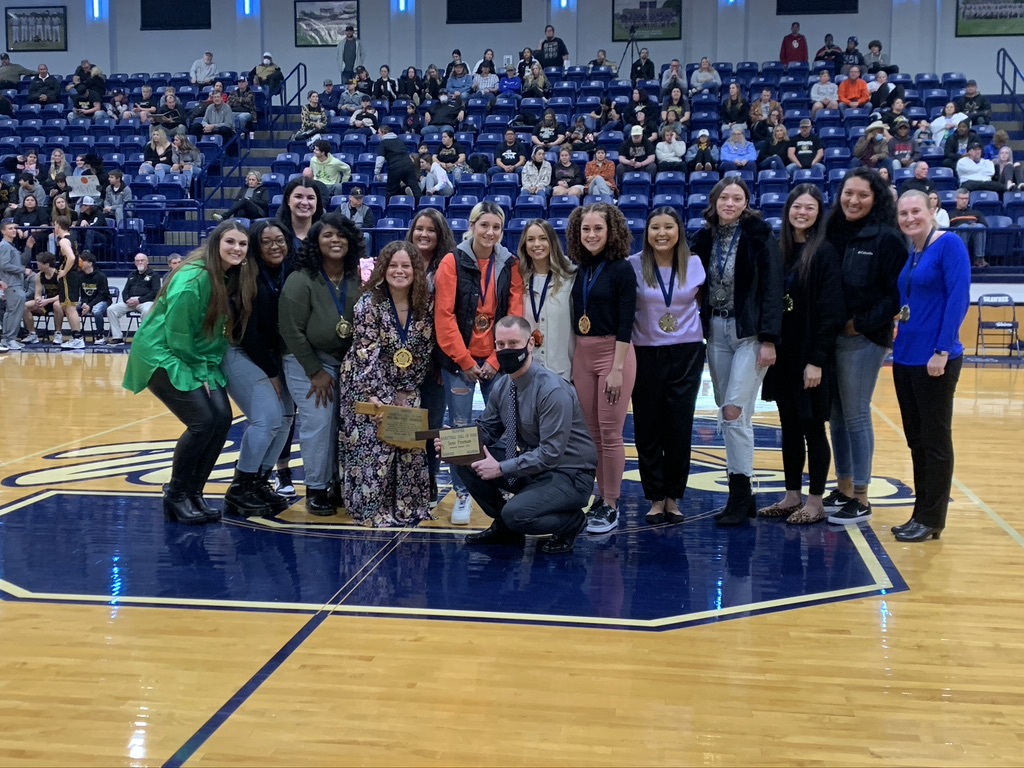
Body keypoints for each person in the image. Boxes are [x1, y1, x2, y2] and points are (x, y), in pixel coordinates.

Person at [122, 221, 254, 524]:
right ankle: (176, 495)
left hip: (197, 356)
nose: (236, 248)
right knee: (203, 422)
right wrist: (202, 375)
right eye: (230, 242)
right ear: (215, 244)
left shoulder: (226, 276)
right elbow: (177, 334)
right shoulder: (194, 278)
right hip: (163, 353)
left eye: (242, 244)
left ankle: (195, 492)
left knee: (221, 420)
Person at [446, 315, 595, 553]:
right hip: (534, 468)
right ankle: (504, 526)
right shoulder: (503, 386)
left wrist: (501, 468)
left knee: (517, 515)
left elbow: (550, 454)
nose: (506, 350)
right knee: (464, 456)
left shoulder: (552, 391)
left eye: (513, 344)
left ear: (530, 345)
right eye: (501, 345)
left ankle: (571, 522)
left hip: (569, 473)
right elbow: (487, 429)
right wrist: (452, 443)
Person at [691, 178, 782, 526]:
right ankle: (745, 494)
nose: (730, 203)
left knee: (732, 411)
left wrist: (770, 339)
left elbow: (773, 287)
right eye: (724, 197)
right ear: (714, 201)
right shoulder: (702, 239)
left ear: (746, 202)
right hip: (715, 330)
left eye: (737, 197)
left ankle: (739, 493)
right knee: (733, 414)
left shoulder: (760, 236)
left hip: (750, 333)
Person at [823, 167, 908, 525]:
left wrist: (861, 324)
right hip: (832, 337)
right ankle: (843, 487)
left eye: (862, 195)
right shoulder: (831, 231)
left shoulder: (887, 238)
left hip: (863, 339)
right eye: (848, 193)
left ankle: (861, 494)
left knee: (856, 413)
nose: (853, 200)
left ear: (876, 199)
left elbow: (895, 296)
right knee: (838, 418)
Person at [758, 185, 845, 525]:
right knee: (789, 427)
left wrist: (817, 360)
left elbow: (831, 312)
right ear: (788, 210)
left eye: (810, 207)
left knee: (812, 429)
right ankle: (792, 493)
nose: (802, 212)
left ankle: (815, 499)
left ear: (818, 213)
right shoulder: (779, 249)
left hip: (810, 356)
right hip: (784, 356)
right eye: (797, 206)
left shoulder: (823, 252)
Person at [434, 201, 524, 524]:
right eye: (483, 225)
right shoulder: (452, 261)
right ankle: (462, 493)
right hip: (460, 361)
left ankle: (505, 485)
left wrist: (499, 360)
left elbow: (514, 315)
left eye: (496, 227)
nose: (490, 232)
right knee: (459, 429)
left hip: (496, 360)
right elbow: (444, 317)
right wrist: (465, 360)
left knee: (505, 428)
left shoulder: (510, 263)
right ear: (472, 226)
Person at [890, 190, 971, 542]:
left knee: (936, 441)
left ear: (932, 209)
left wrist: (942, 349)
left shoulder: (949, 244)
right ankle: (919, 513)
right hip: (905, 357)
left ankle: (933, 518)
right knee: (916, 441)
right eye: (903, 213)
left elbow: (959, 297)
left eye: (916, 211)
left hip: (935, 359)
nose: (909, 218)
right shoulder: (913, 253)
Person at [338, 241, 434, 527]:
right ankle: (370, 509)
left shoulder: (424, 304)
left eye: (406, 265)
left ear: (416, 270)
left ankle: (407, 507)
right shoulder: (369, 303)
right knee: (372, 447)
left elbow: (425, 349)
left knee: (408, 445)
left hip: (407, 384)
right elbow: (366, 353)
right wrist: (381, 396)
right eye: (393, 265)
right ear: (382, 269)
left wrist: (406, 390)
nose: (399, 271)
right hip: (366, 385)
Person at [279, 213, 363, 515]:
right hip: (307, 362)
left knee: (349, 424)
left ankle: (339, 483)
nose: (335, 240)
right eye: (327, 235)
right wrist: (315, 372)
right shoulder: (301, 279)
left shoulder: (358, 277)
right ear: (315, 241)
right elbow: (290, 331)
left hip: (348, 363)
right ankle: (315, 488)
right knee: (320, 422)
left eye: (341, 235)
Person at [628, 207, 706, 524]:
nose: (662, 233)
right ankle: (654, 497)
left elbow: (702, 304)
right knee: (647, 428)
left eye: (669, 227)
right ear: (646, 234)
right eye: (655, 228)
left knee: (678, 427)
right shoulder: (633, 266)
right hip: (645, 352)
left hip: (686, 352)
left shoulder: (696, 264)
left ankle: (673, 497)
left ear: (679, 231)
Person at [567, 203, 638, 534]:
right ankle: (599, 496)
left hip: (614, 352)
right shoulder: (582, 269)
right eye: (585, 229)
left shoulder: (621, 269)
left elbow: (627, 322)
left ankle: (612, 503)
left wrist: (617, 369)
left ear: (611, 231)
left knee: (610, 434)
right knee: (592, 434)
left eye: (597, 228)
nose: (591, 234)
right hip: (583, 354)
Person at [221, 220, 294, 518]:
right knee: (267, 419)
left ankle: (260, 481)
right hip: (239, 350)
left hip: (270, 354)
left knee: (287, 417)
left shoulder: (289, 271)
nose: (275, 246)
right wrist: (273, 373)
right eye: (266, 241)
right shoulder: (243, 276)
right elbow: (248, 332)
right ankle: (240, 487)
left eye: (280, 240)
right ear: (255, 246)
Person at [403, 209, 457, 506]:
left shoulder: (448, 267)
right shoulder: (400, 263)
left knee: (432, 424)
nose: (424, 234)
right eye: (419, 229)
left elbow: (449, 319)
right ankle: (406, 479)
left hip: (437, 361)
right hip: (401, 362)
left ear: (441, 235)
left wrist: (442, 360)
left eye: (431, 230)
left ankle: (431, 478)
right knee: (404, 423)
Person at [518, 219, 575, 381]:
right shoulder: (518, 279)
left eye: (543, 238)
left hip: (562, 370)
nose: (537, 244)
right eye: (531, 239)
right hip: (528, 369)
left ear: (552, 241)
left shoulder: (570, 276)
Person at [105, 253, 162, 345]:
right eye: (137, 261)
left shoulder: (154, 275)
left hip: (146, 301)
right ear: (135, 263)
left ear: (147, 262)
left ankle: (144, 336)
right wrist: (127, 300)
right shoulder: (131, 275)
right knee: (111, 309)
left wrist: (139, 300)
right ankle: (118, 337)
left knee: (147, 310)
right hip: (130, 301)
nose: (140, 262)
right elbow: (125, 291)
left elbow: (155, 292)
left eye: (142, 260)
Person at [0, 218, 30, 352]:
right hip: (11, 283)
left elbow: (20, 261)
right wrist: (23, 270)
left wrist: (28, 247)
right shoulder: (4, 246)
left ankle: (6, 340)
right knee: (14, 313)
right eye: (10, 228)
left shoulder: (11, 246)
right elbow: (4, 265)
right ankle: (10, 339)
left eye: (14, 228)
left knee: (10, 312)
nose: (13, 230)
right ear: (3, 231)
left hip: (15, 283)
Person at [276, 177, 324, 251]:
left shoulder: (325, 236)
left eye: (310, 198)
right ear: (288, 200)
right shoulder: (276, 235)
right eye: (298, 197)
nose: (304, 202)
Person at [375, 125, 421, 200]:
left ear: (383, 132)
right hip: (408, 165)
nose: (378, 135)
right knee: (415, 188)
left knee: (391, 191)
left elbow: (380, 159)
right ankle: (421, 206)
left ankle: (388, 208)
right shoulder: (399, 140)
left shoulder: (383, 142)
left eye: (379, 133)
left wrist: (377, 172)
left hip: (395, 167)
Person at [73, 250, 109, 344]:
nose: (79, 263)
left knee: (96, 311)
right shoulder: (80, 276)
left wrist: (90, 306)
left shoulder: (101, 276)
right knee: (72, 309)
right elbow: (83, 294)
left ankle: (101, 335)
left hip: (103, 301)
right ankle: (77, 335)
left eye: (82, 261)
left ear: (89, 263)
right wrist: (85, 303)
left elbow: (102, 295)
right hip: (89, 302)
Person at [949, 187, 989, 268]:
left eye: (966, 199)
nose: (964, 201)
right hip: (958, 235)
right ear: (956, 199)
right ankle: (963, 258)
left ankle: (980, 258)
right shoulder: (950, 214)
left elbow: (985, 226)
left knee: (979, 227)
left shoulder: (976, 212)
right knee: (964, 227)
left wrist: (973, 225)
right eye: (962, 199)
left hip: (975, 233)